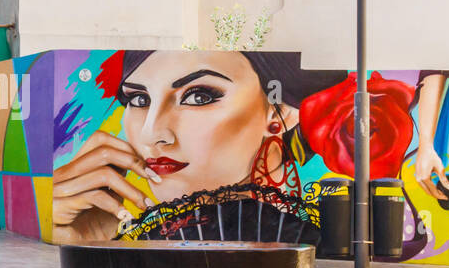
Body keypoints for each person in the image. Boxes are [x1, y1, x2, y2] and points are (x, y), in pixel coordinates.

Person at [52, 50, 344, 245]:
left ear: (281, 112)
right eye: (139, 100)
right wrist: (85, 242)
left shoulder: (318, 242)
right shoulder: (129, 233)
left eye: (199, 97)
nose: (151, 133)